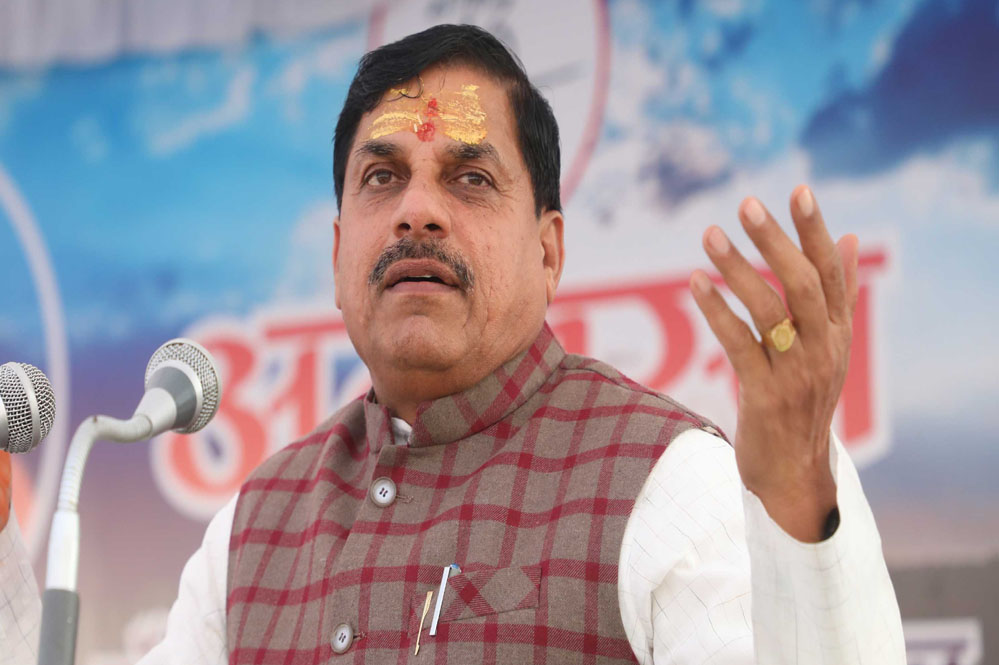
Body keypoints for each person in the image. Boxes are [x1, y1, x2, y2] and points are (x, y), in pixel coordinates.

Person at [0, 24, 904, 664]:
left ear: (548, 250)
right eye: (381, 177)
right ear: (337, 251)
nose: (417, 210)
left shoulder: (666, 481)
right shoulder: (255, 524)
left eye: (469, 177)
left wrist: (797, 495)